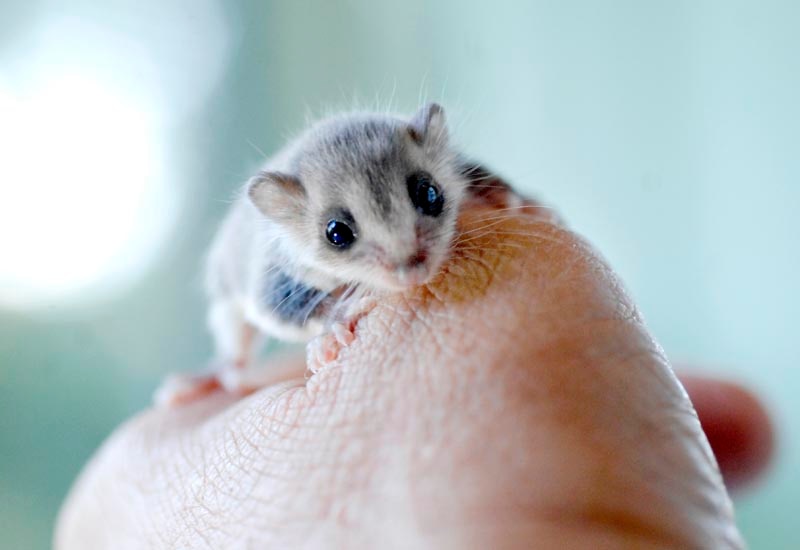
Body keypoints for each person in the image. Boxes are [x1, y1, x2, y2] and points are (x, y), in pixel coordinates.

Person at [55, 202, 772, 549]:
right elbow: (271, 300)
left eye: (426, 204)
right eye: (343, 236)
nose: (406, 257)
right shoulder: (275, 268)